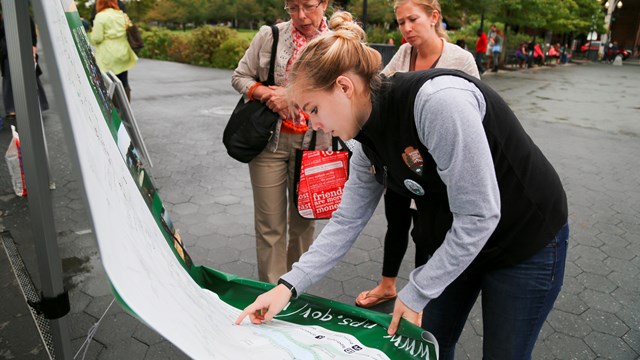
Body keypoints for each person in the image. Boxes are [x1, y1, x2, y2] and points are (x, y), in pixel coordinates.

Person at [235, 11, 569, 360]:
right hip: (456, 242)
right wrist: (288, 286)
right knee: (430, 346)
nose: (313, 124)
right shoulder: (363, 141)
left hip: (525, 238)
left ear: (344, 87)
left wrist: (418, 288)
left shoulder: (438, 103)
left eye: (313, 109)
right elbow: (347, 221)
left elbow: (480, 214)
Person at [354, 0, 479, 309]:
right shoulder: (404, 55)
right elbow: (380, 97)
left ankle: (420, 297)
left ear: (434, 17)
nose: (406, 28)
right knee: (395, 223)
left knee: (428, 234)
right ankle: (387, 285)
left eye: (413, 19)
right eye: (401, 22)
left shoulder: (459, 59)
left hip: (437, 169)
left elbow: (474, 117)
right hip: (401, 160)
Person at [230, 0, 332, 284]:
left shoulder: (336, 43)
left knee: (303, 225)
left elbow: (346, 93)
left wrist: (293, 96)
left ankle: (294, 288)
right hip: (269, 145)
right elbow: (240, 77)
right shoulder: (270, 35)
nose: (301, 15)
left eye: (309, 6)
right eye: (293, 7)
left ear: (324, 3)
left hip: (315, 146)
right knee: (270, 227)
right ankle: (271, 293)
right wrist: (265, 95)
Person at [0, 14, 49, 126]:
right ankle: (12, 109)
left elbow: (33, 36)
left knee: (31, 78)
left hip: (25, 49)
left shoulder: (25, 16)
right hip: (7, 53)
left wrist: (33, 52)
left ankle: (38, 105)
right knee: (9, 79)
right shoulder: (3, 17)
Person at [90, 0, 137, 101]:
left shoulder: (101, 16)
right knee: (123, 81)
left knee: (109, 82)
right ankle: (126, 109)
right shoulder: (122, 15)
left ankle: (115, 110)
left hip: (108, 54)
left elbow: (96, 38)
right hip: (124, 52)